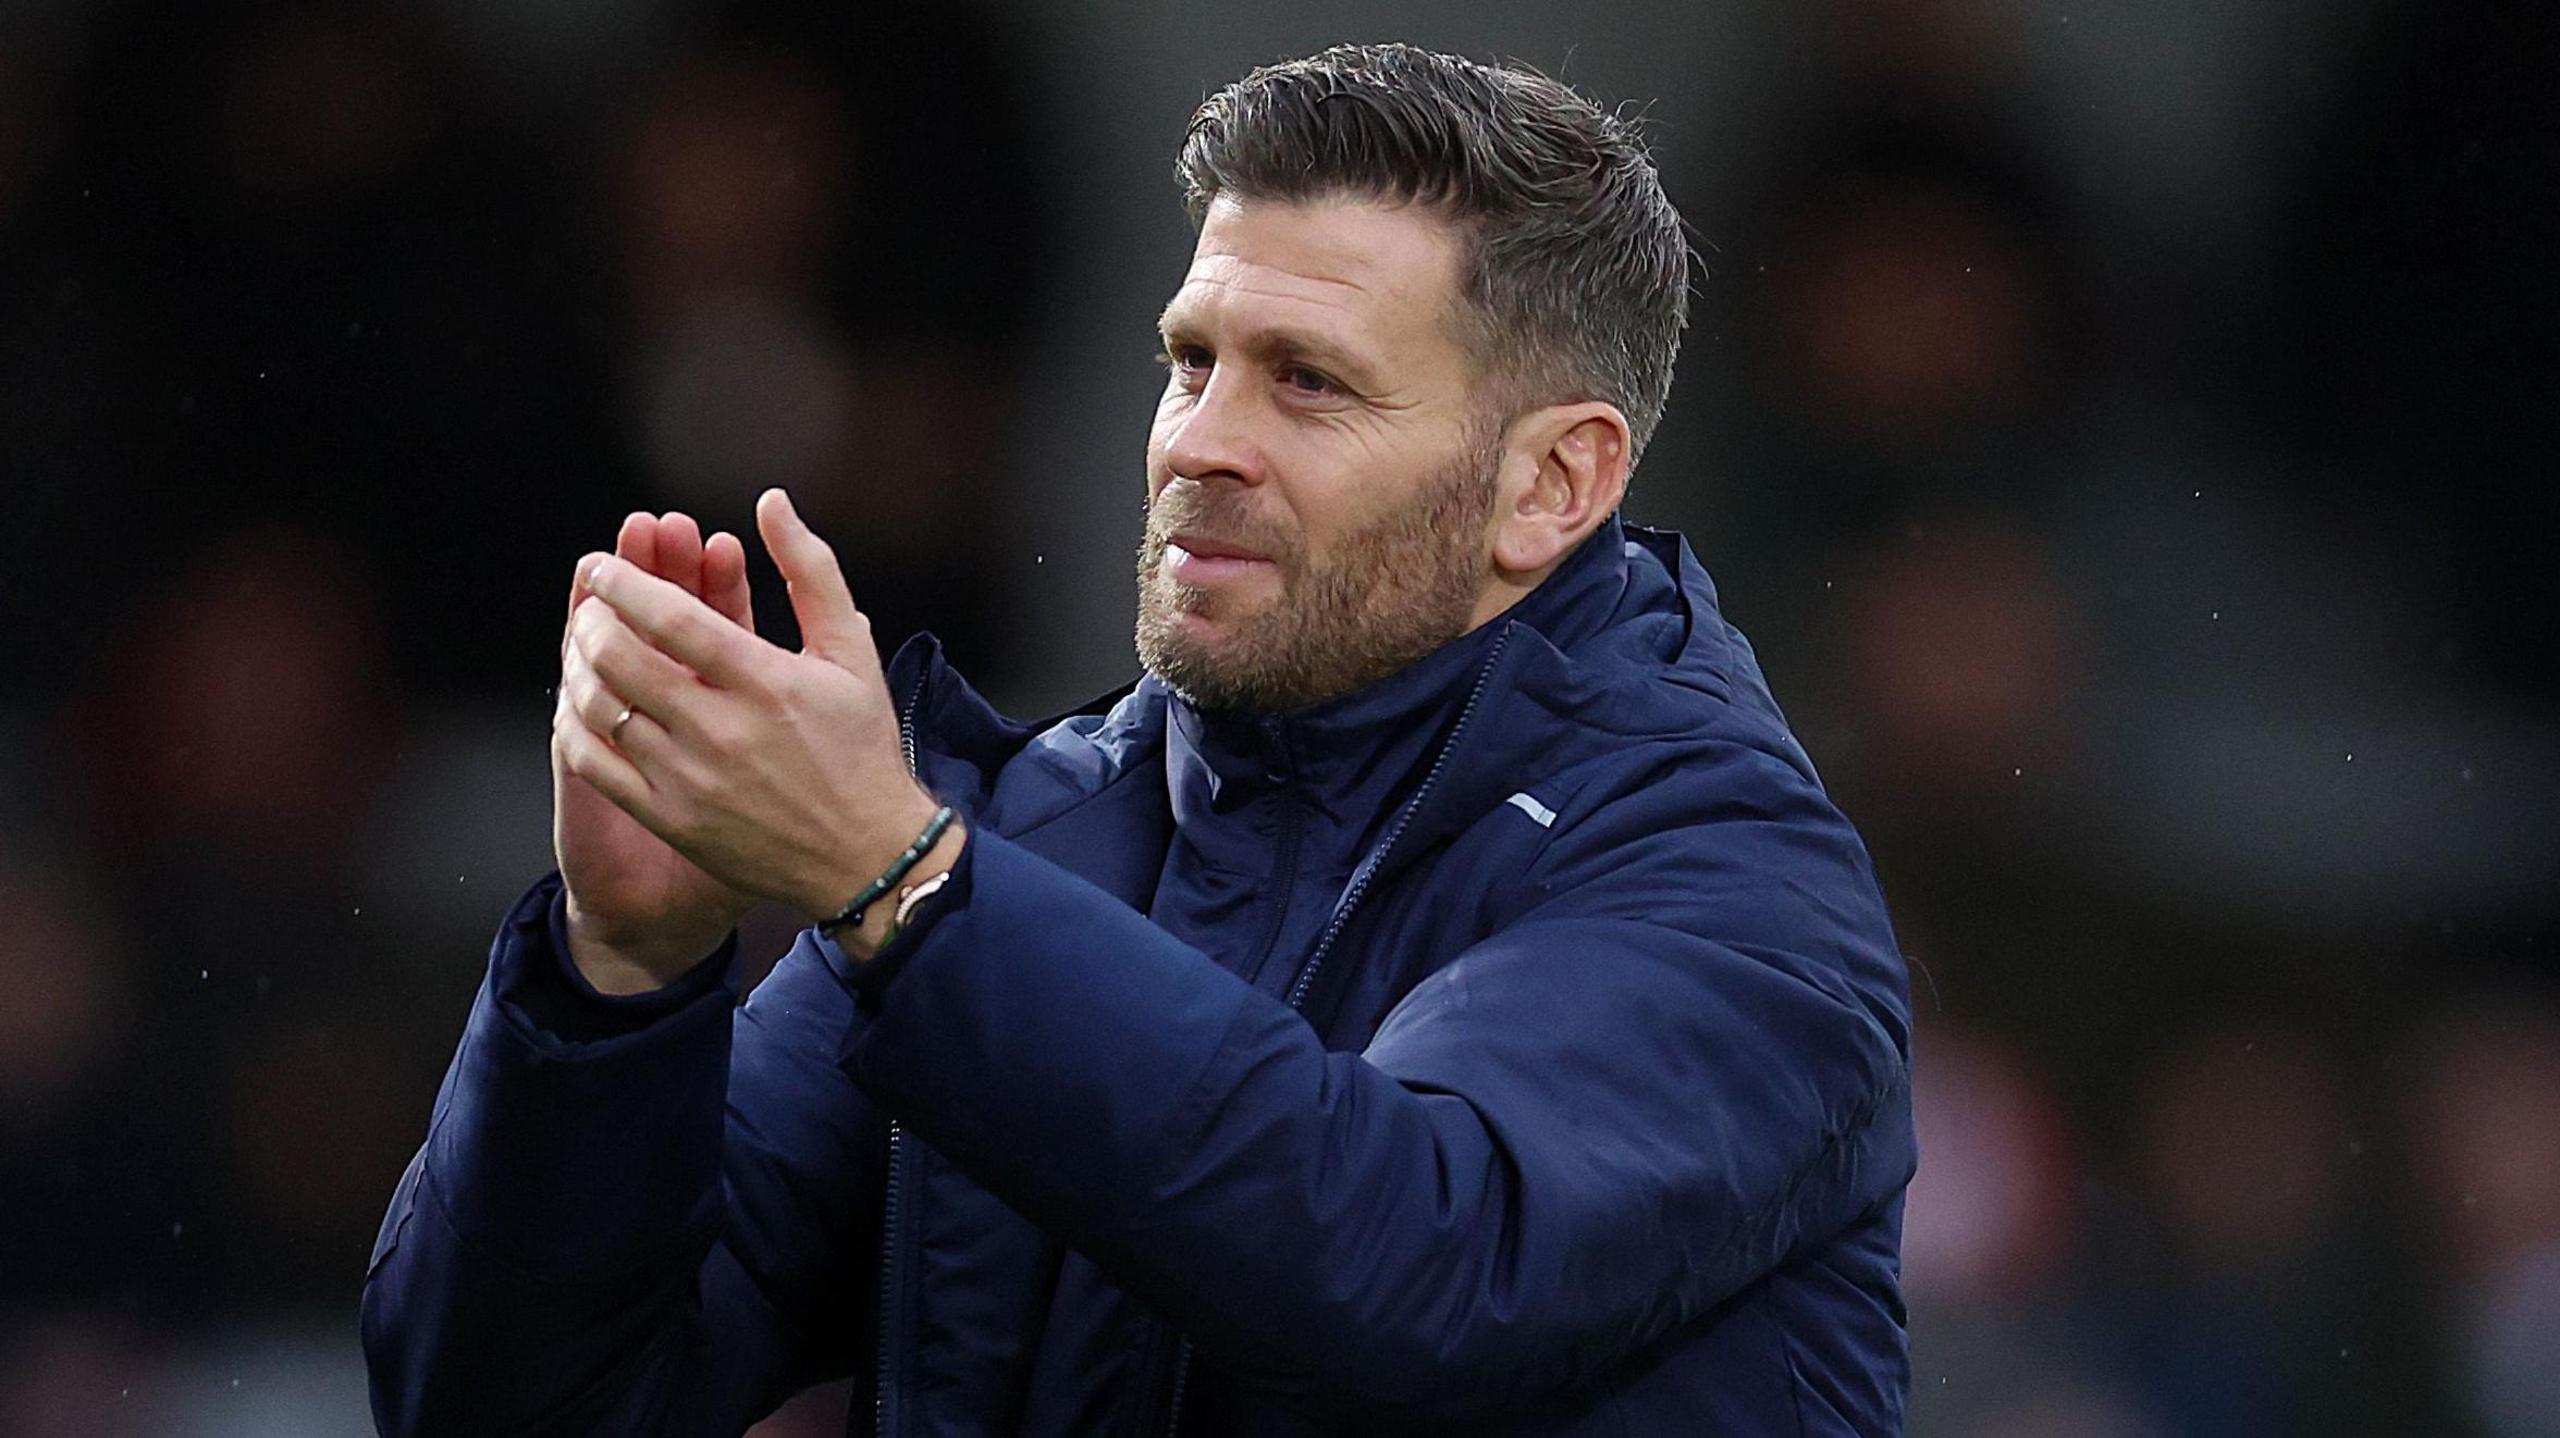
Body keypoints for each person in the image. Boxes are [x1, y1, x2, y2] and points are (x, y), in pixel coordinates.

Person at [360, 42, 1916, 1437]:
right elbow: (505, 1405)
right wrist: (619, 973)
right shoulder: (1021, 847)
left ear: (1553, 488)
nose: (1198, 443)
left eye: (1310, 384)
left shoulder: (1730, 873)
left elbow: (1415, 1273)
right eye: (1191, 359)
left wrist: (901, 880)